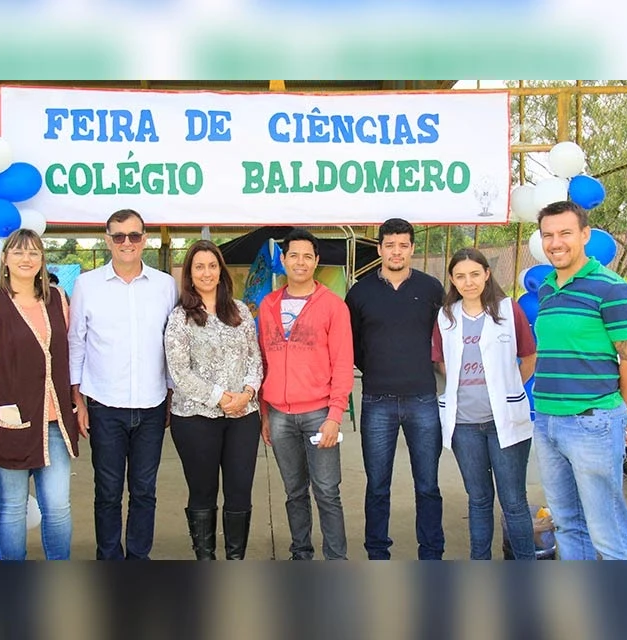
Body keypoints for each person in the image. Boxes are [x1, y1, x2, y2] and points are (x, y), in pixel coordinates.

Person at [531, 200, 627, 560]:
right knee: (567, 524)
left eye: (565, 233)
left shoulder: (610, 288)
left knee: (607, 533)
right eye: (548, 235)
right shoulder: (547, 289)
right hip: (547, 421)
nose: (555, 243)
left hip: (591, 423)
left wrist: (614, 413)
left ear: (585, 235)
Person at [0, 228, 80, 560]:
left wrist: (77, 404)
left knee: (58, 507)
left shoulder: (58, 301)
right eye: (18, 252)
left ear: (42, 259)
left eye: (33, 252)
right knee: (12, 507)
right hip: (10, 425)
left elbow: (70, 357)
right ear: (5, 259)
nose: (26, 258)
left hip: (55, 424)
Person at [69, 209, 177, 560]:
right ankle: (109, 558)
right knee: (108, 492)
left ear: (145, 239)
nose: (126, 242)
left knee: (144, 491)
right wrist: (78, 399)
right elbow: (76, 342)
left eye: (134, 235)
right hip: (104, 406)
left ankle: (138, 559)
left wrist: (171, 395)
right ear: (107, 240)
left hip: (152, 405)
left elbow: (172, 341)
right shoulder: (87, 285)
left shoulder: (164, 285)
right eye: (118, 236)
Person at [345, 217, 446, 560]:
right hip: (377, 400)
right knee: (377, 486)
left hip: (423, 398)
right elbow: (352, 345)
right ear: (380, 249)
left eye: (403, 245)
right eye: (390, 245)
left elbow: (444, 337)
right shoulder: (360, 292)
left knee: (428, 485)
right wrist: (377, 368)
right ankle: (377, 554)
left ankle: (431, 554)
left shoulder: (431, 289)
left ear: (412, 248)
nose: (397, 251)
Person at [430, 247, 538, 560]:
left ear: (487, 274)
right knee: (478, 499)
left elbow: (529, 356)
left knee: (513, 501)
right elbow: (441, 362)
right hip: (464, 425)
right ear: (452, 280)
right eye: (461, 276)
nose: (469, 282)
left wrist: (509, 386)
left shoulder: (508, 310)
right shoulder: (446, 316)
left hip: (504, 421)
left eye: (475, 274)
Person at [258, 228, 354, 560]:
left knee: (327, 491)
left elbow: (343, 364)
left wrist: (335, 416)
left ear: (316, 261)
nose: (300, 262)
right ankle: (301, 554)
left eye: (307, 256)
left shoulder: (333, 306)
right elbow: (263, 361)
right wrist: (265, 413)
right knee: (294, 492)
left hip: (318, 414)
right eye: (294, 255)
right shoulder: (268, 305)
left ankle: (336, 559)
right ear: (283, 260)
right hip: (279, 416)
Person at [164, 240, 263, 560]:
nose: (206, 273)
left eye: (212, 265)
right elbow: (179, 371)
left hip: (243, 417)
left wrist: (247, 393)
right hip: (195, 419)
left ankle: (235, 560)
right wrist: (220, 398)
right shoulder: (180, 318)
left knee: (239, 492)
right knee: (203, 492)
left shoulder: (240, 312)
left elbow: (255, 359)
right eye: (199, 267)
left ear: (221, 271)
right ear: (189, 275)